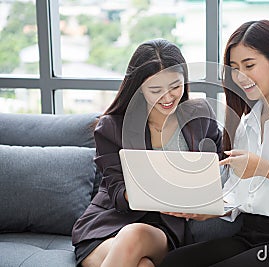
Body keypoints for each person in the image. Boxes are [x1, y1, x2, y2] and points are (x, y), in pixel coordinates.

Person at [159, 20, 269, 267]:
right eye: (234, 68)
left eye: (249, 65)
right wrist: (211, 210)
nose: (240, 76)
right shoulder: (249, 120)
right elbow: (243, 194)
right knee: (173, 262)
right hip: (252, 235)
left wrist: (264, 168)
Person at [71, 38, 222, 267]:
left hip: (164, 229)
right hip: (108, 226)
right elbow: (116, 192)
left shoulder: (200, 115)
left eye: (175, 86)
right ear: (138, 88)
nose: (168, 97)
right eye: (155, 90)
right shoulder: (112, 127)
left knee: (134, 236)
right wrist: (143, 194)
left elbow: (219, 169)